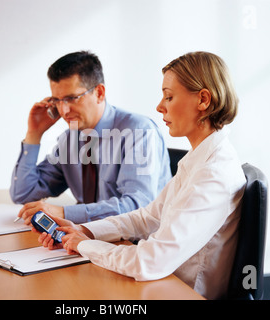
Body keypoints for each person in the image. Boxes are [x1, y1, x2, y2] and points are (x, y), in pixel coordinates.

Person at [37, 51, 247, 300]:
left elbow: (150, 261)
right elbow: (147, 217)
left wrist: (82, 244)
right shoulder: (198, 158)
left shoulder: (213, 174)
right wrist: (84, 231)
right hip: (163, 283)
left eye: (169, 96)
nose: (159, 106)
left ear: (203, 99)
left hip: (181, 291)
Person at [10, 51, 172, 224]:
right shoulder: (70, 139)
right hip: (87, 239)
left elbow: (137, 206)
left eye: (71, 98)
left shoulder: (138, 131)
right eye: (57, 100)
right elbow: (23, 193)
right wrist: (34, 134)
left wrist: (64, 213)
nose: (64, 111)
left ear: (99, 93)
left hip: (135, 244)